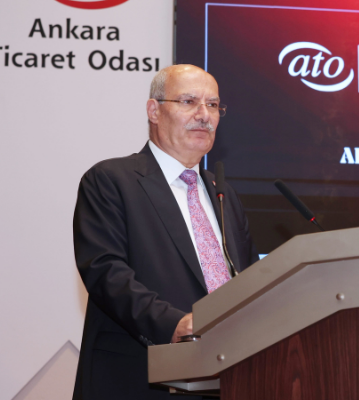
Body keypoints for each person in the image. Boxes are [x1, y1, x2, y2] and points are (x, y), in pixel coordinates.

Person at [72, 64, 258, 399]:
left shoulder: (224, 194)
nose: (204, 115)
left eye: (213, 105)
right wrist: (173, 324)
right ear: (154, 111)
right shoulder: (111, 181)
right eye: (189, 101)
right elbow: (106, 272)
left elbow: (246, 279)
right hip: (140, 379)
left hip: (228, 377)